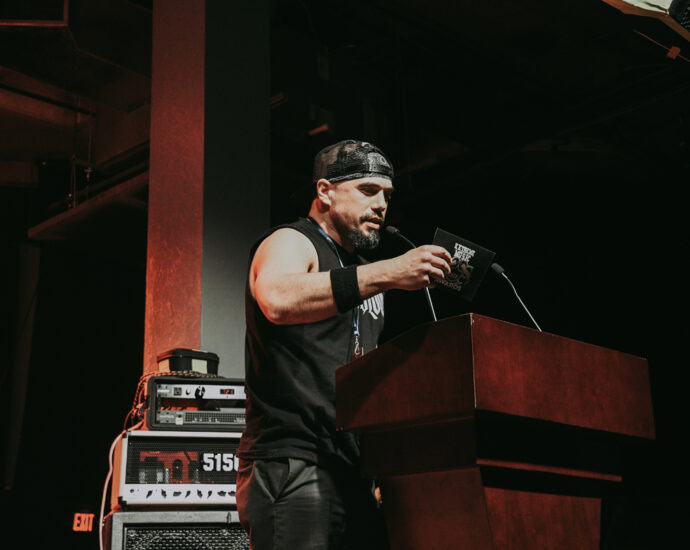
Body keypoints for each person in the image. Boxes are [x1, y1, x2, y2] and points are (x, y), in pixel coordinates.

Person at [236, 140, 452, 549]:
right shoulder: (292, 241)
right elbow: (277, 298)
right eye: (368, 190)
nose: (381, 205)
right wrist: (389, 272)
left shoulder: (364, 272)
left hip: (351, 467)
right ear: (325, 191)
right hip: (294, 457)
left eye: (387, 195)